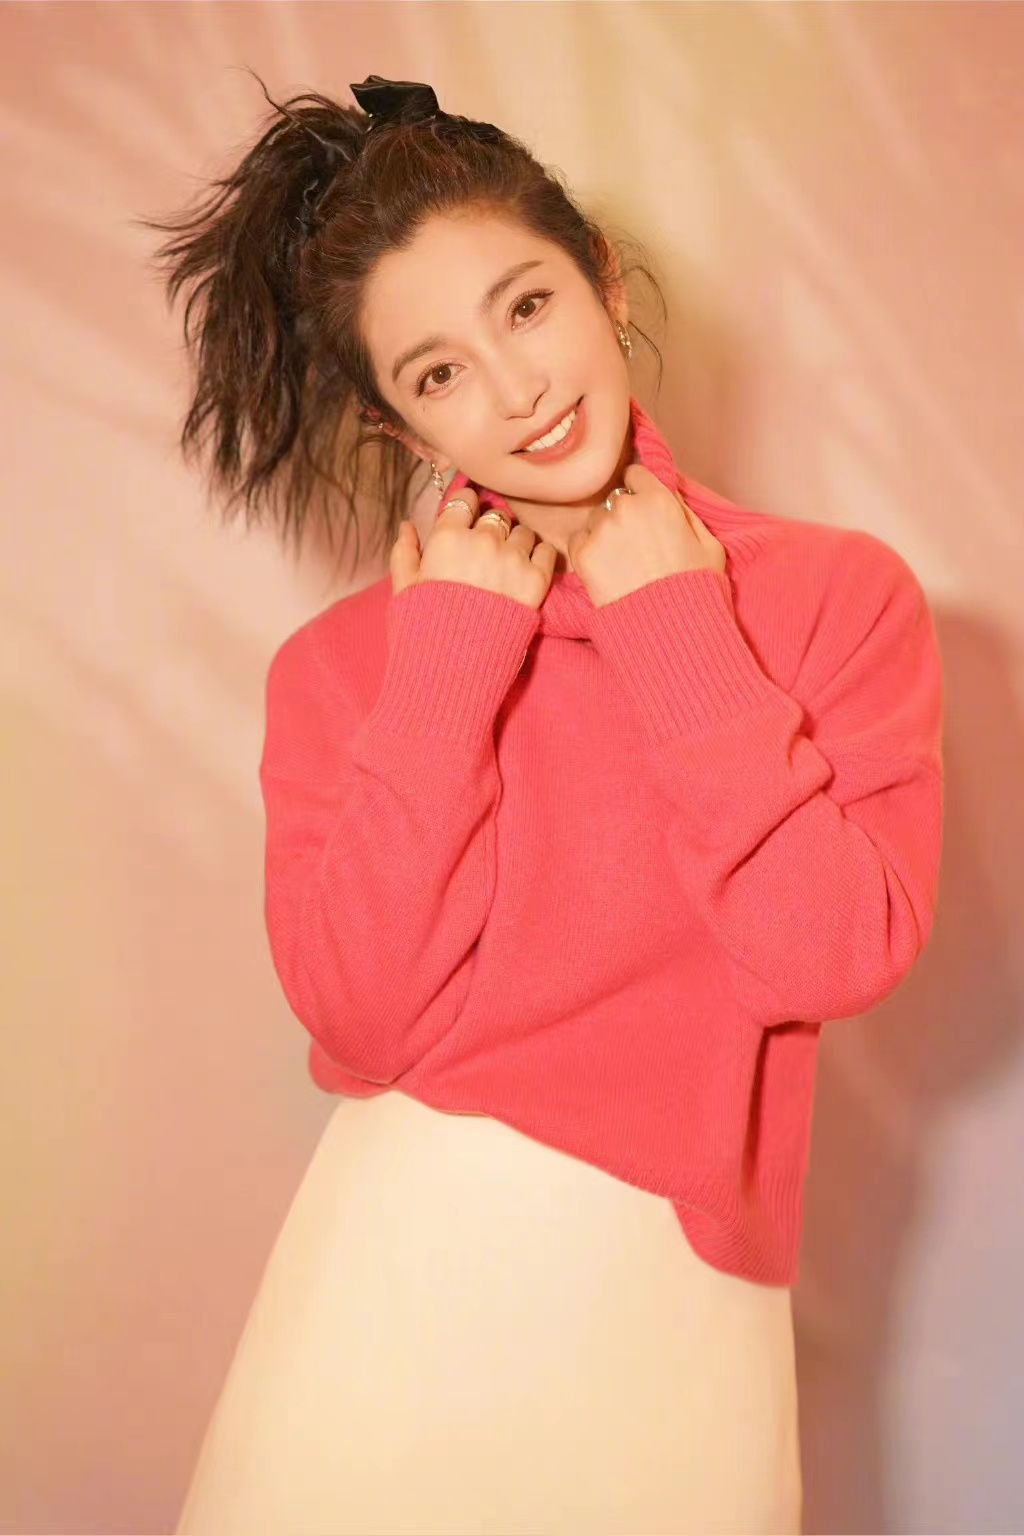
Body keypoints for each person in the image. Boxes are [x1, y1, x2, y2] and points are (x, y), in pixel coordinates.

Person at [145, 72, 944, 1536]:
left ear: (604, 285)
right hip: (391, 1283)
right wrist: (447, 666)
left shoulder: (835, 599)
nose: (516, 388)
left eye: (526, 307)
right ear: (400, 428)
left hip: (679, 1297)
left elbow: (831, 954)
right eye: (438, 373)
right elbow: (361, 1019)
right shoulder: (345, 669)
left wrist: (675, 630)